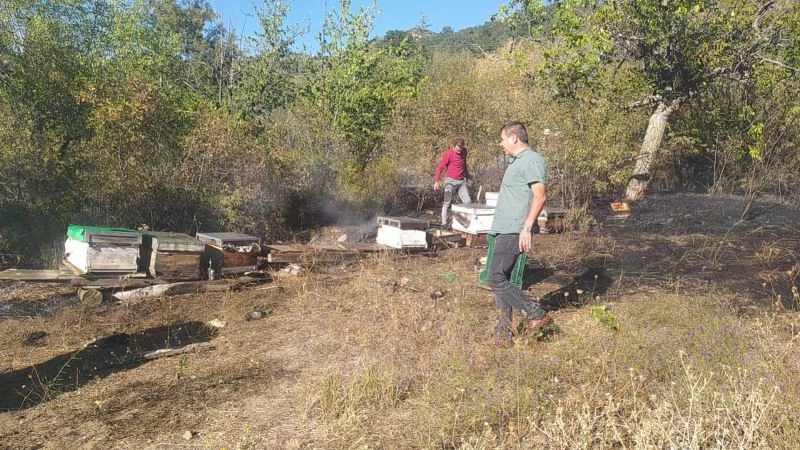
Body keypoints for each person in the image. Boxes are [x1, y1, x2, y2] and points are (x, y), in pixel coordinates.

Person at [488, 122, 552, 345]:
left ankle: (536, 313)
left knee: (494, 279)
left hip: (513, 229)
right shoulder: (518, 162)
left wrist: (526, 227)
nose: (501, 143)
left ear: (514, 138)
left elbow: (540, 196)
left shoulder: (531, 160)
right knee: (502, 279)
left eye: (503, 138)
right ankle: (503, 331)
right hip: (503, 229)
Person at [433, 138, 471, 226]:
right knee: (447, 202)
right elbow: (440, 167)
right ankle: (444, 223)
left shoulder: (464, 152)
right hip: (450, 181)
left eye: (460, 149)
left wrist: (467, 174)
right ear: (453, 146)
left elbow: (464, 164)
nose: (459, 151)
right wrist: (436, 181)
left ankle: (465, 224)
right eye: (457, 149)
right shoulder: (449, 154)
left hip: (461, 182)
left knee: (468, 202)